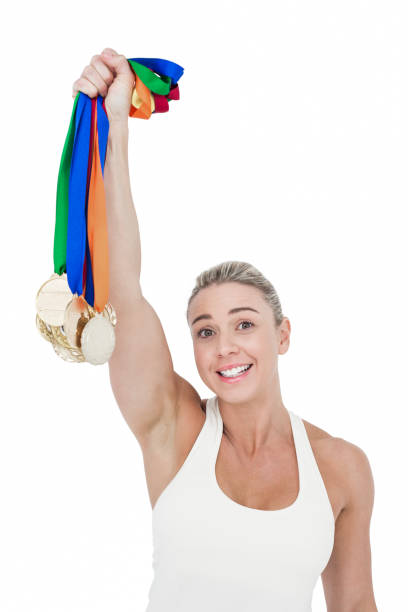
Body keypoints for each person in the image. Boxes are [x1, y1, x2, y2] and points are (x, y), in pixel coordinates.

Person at [72, 48, 378, 612]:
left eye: (245, 323)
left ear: (282, 335)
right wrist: (114, 127)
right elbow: (123, 287)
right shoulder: (172, 427)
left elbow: (356, 606)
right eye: (205, 331)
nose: (225, 345)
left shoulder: (341, 466)